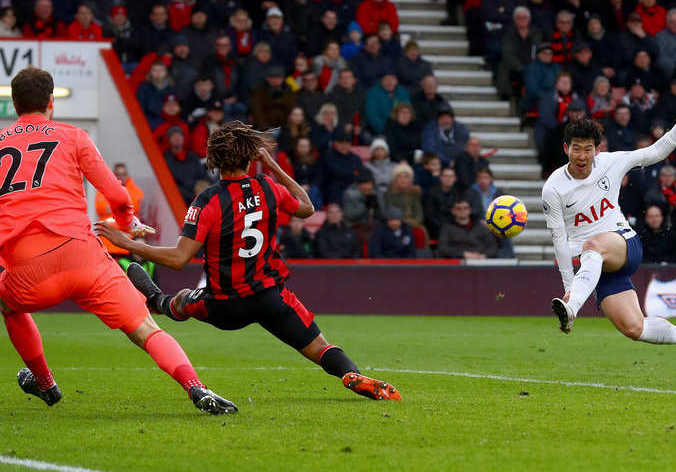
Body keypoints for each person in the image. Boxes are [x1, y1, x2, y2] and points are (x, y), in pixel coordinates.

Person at [97, 123, 399, 401]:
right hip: (270, 297)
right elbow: (307, 208)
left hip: (224, 303)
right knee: (320, 347)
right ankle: (350, 374)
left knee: (180, 301)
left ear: (213, 159)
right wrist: (272, 166)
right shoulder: (268, 186)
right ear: (250, 157)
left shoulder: (208, 200)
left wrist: (127, 243)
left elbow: (178, 259)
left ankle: (155, 299)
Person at [0, 67, 234, 414]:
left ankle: (45, 383)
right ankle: (195, 386)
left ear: (14, 103)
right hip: (84, 257)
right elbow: (117, 195)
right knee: (144, 328)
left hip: (28, 269)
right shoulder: (73, 136)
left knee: (8, 306)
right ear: (51, 102)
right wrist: (126, 226)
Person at [543, 90, 676, 353]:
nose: (582, 156)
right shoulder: (553, 188)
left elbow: (655, 152)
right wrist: (569, 287)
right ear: (565, 149)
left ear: (598, 149)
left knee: (592, 245)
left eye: (588, 149)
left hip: (624, 244)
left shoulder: (611, 163)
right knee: (634, 328)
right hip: (596, 268)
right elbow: (559, 239)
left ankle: (572, 310)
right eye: (576, 149)